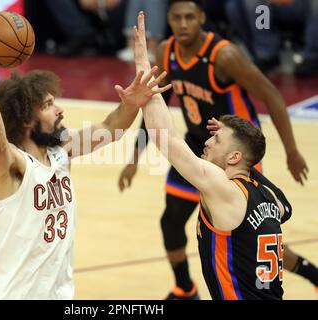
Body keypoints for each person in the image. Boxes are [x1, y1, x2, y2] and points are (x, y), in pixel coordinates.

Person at [118, 1, 314, 300]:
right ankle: (185, 288)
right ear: (168, 20)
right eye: (176, 18)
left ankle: (308, 272)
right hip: (202, 147)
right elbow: (159, 104)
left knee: (247, 232)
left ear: (202, 19)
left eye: (190, 17)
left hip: (235, 152)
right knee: (171, 222)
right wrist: (134, 157)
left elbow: (272, 94)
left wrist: (291, 151)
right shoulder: (168, 53)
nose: (183, 24)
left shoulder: (224, 55)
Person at [0, 27, 170, 299]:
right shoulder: (13, 165)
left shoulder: (60, 150)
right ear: (27, 120)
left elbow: (111, 127)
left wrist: (132, 104)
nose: (60, 109)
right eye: (49, 105)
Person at [225, 0, 318, 75]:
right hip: (270, 5)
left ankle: (312, 56)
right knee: (235, 6)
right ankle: (266, 55)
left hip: (304, 5)